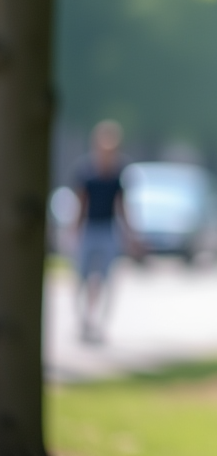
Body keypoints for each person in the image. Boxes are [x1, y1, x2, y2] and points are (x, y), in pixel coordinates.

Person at [73, 119, 134, 345]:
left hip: (108, 229)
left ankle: (100, 323)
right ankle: (83, 320)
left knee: (107, 279)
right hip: (90, 228)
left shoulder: (118, 174)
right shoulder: (86, 172)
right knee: (82, 277)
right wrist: (75, 231)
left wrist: (130, 233)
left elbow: (122, 206)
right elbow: (80, 203)